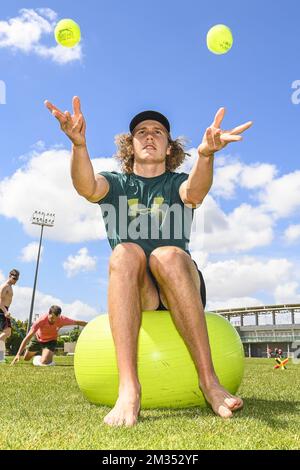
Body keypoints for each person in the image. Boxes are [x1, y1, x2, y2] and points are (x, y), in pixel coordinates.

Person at [45, 96, 252, 425]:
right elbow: (86, 187)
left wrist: (205, 155)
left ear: (169, 147)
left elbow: (195, 193)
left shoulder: (176, 183)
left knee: (166, 255)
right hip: (138, 291)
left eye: (158, 131)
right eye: (142, 131)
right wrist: (78, 145)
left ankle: (210, 382)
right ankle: (129, 390)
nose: (150, 135)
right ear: (131, 144)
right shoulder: (115, 184)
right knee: (125, 251)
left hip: (178, 286)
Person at [11, 305, 87, 365]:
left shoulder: (62, 319)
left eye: (56, 318)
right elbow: (27, 338)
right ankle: (39, 355)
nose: (54, 320)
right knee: (26, 358)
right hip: (38, 339)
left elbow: (77, 322)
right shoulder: (40, 320)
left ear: (59, 316)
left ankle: (45, 355)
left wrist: (90, 324)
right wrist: (18, 354)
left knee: (45, 362)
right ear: (49, 313)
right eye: (52, 317)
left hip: (51, 341)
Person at [0, 269, 20, 354]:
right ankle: (1, 356)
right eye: (14, 278)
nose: (15, 280)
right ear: (9, 276)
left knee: (8, 333)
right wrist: (5, 311)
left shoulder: (10, 287)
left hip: (5, 309)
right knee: (7, 332)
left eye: (17, 279)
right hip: (1, 309)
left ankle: (1, 356)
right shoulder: (5, 286)